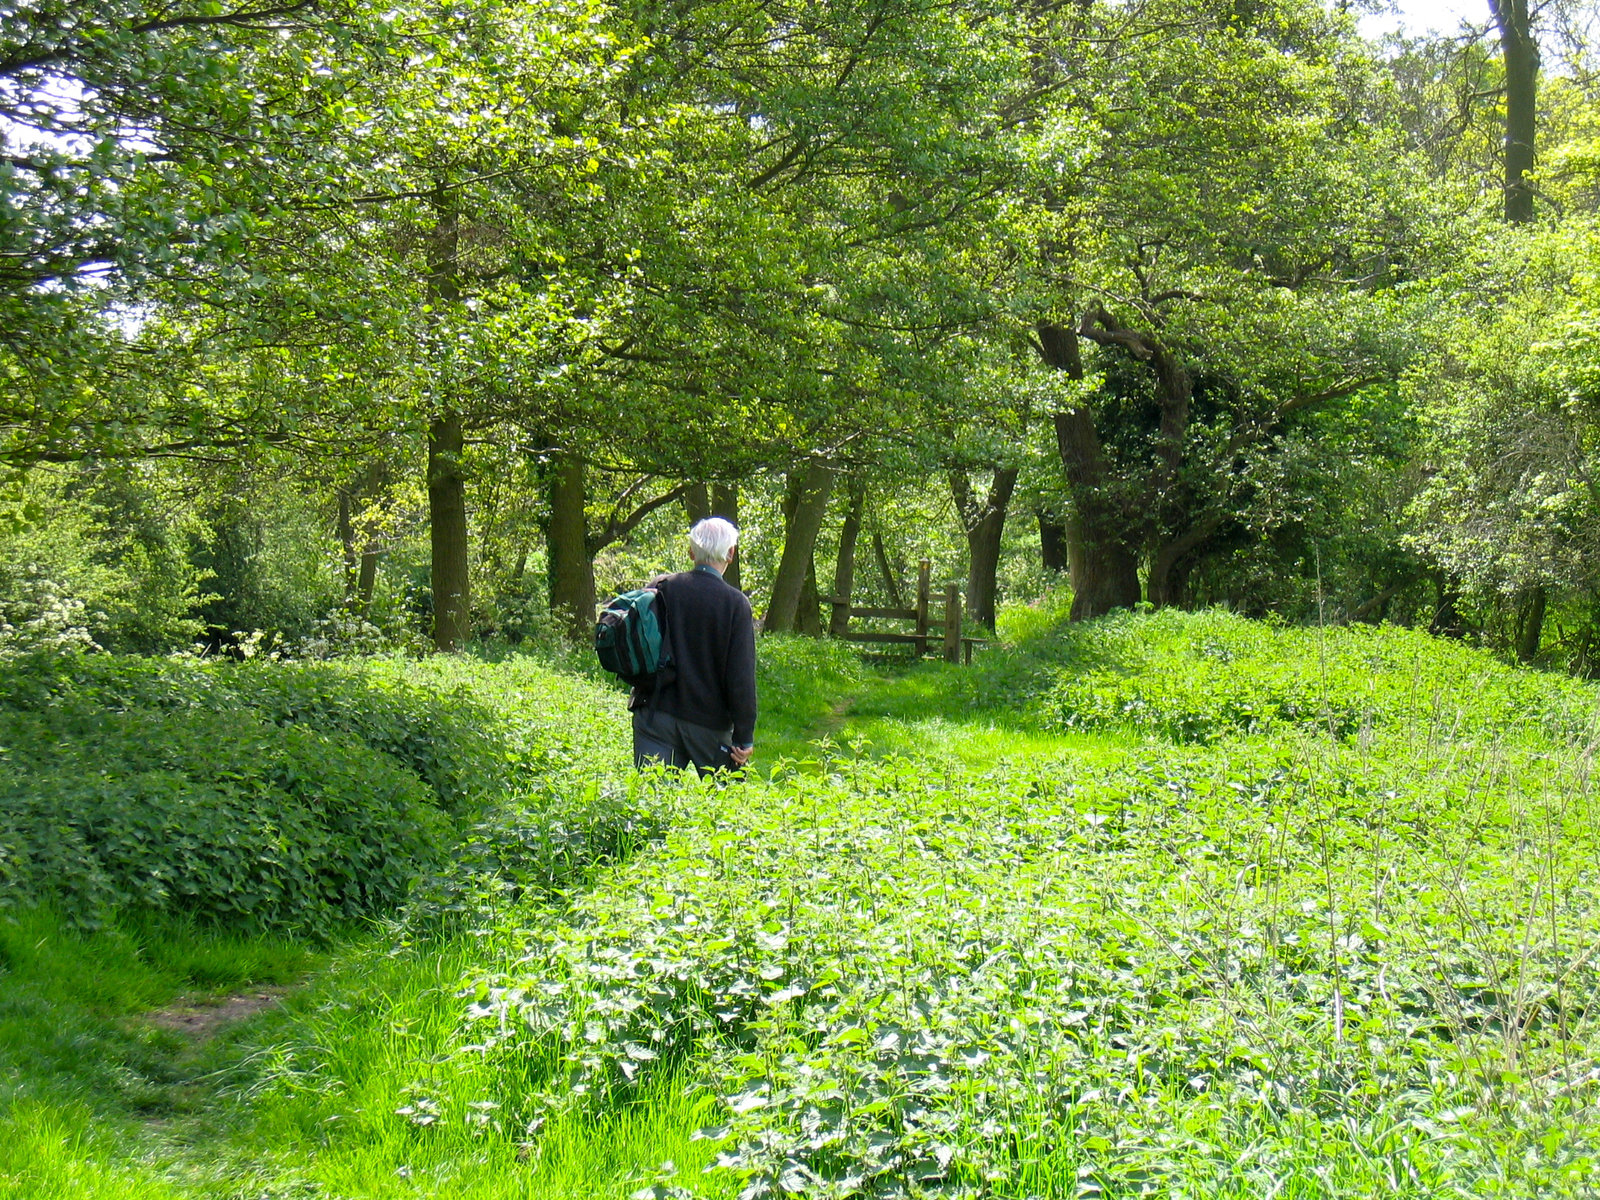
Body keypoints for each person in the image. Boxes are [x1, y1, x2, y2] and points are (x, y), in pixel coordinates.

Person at [631, 516, 756, 775]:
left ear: (691, 552)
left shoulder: (661, 587)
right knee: (726, 804)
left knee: (651, 805)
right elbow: (740, 677)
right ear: (731, 554)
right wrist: (743, 737)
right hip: (710, 725)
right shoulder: (735, 604)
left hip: (655, 715)